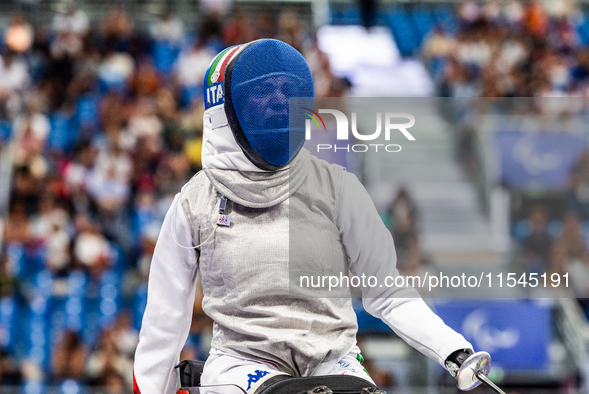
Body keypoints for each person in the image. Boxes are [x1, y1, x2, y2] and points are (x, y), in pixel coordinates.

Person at [133, 39, 490, 394]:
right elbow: (166, 319)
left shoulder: (338, 188)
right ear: (224, 107)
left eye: (288, 89)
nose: (279, 101)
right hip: (241, 366)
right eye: (262, 89)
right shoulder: (195, 202)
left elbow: (385, 288)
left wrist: (451, 348)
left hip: (331, 360)